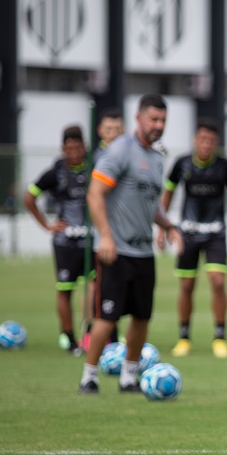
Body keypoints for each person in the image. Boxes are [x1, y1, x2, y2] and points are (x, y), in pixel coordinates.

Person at [78, 94, 183, 394]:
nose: (158, 125)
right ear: (138, 118)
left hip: (143, 252)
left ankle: (128, 376)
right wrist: (106, 237)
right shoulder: (120, 150)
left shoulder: (157, 157)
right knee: (107, 318)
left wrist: (169, 226)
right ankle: (89, 375)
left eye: (163, 120)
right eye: (153, 119)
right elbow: (94, 194)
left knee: (141, 317)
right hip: (116, 251)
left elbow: (151, 206)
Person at [158, 118, 227, 359]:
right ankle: (184, 337)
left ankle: (220, 337)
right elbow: (167, 195)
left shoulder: (225, 167)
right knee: (186, 285)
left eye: (211, 141)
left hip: (216, 232)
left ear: (216, 143)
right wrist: (162, 229)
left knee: (218, 282)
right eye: (203, 139)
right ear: (195, 140)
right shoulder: (182, 164)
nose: (207, 144)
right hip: (187, 233)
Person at [23, 125, 93, 355]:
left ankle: (91, 333)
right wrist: (47, 225)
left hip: (91, 241)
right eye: (69, 148)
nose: (74, 152)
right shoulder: (56, 171)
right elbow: (29, 197)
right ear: (63, 149)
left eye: (78, 147)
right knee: (65, 290)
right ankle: (69, 337)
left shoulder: (95, 168)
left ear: (84, 147)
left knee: (95, 286)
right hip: (65, 243)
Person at [83, 107, 125, 350]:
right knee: (94, 282)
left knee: (115, 283)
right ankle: (90, 331)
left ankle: (113, 333)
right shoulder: (98, 157)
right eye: (108, 130)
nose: (112, 134)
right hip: (99, 230)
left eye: (117, 130)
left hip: (121, 230)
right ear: (100, 131)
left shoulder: (125, 154)